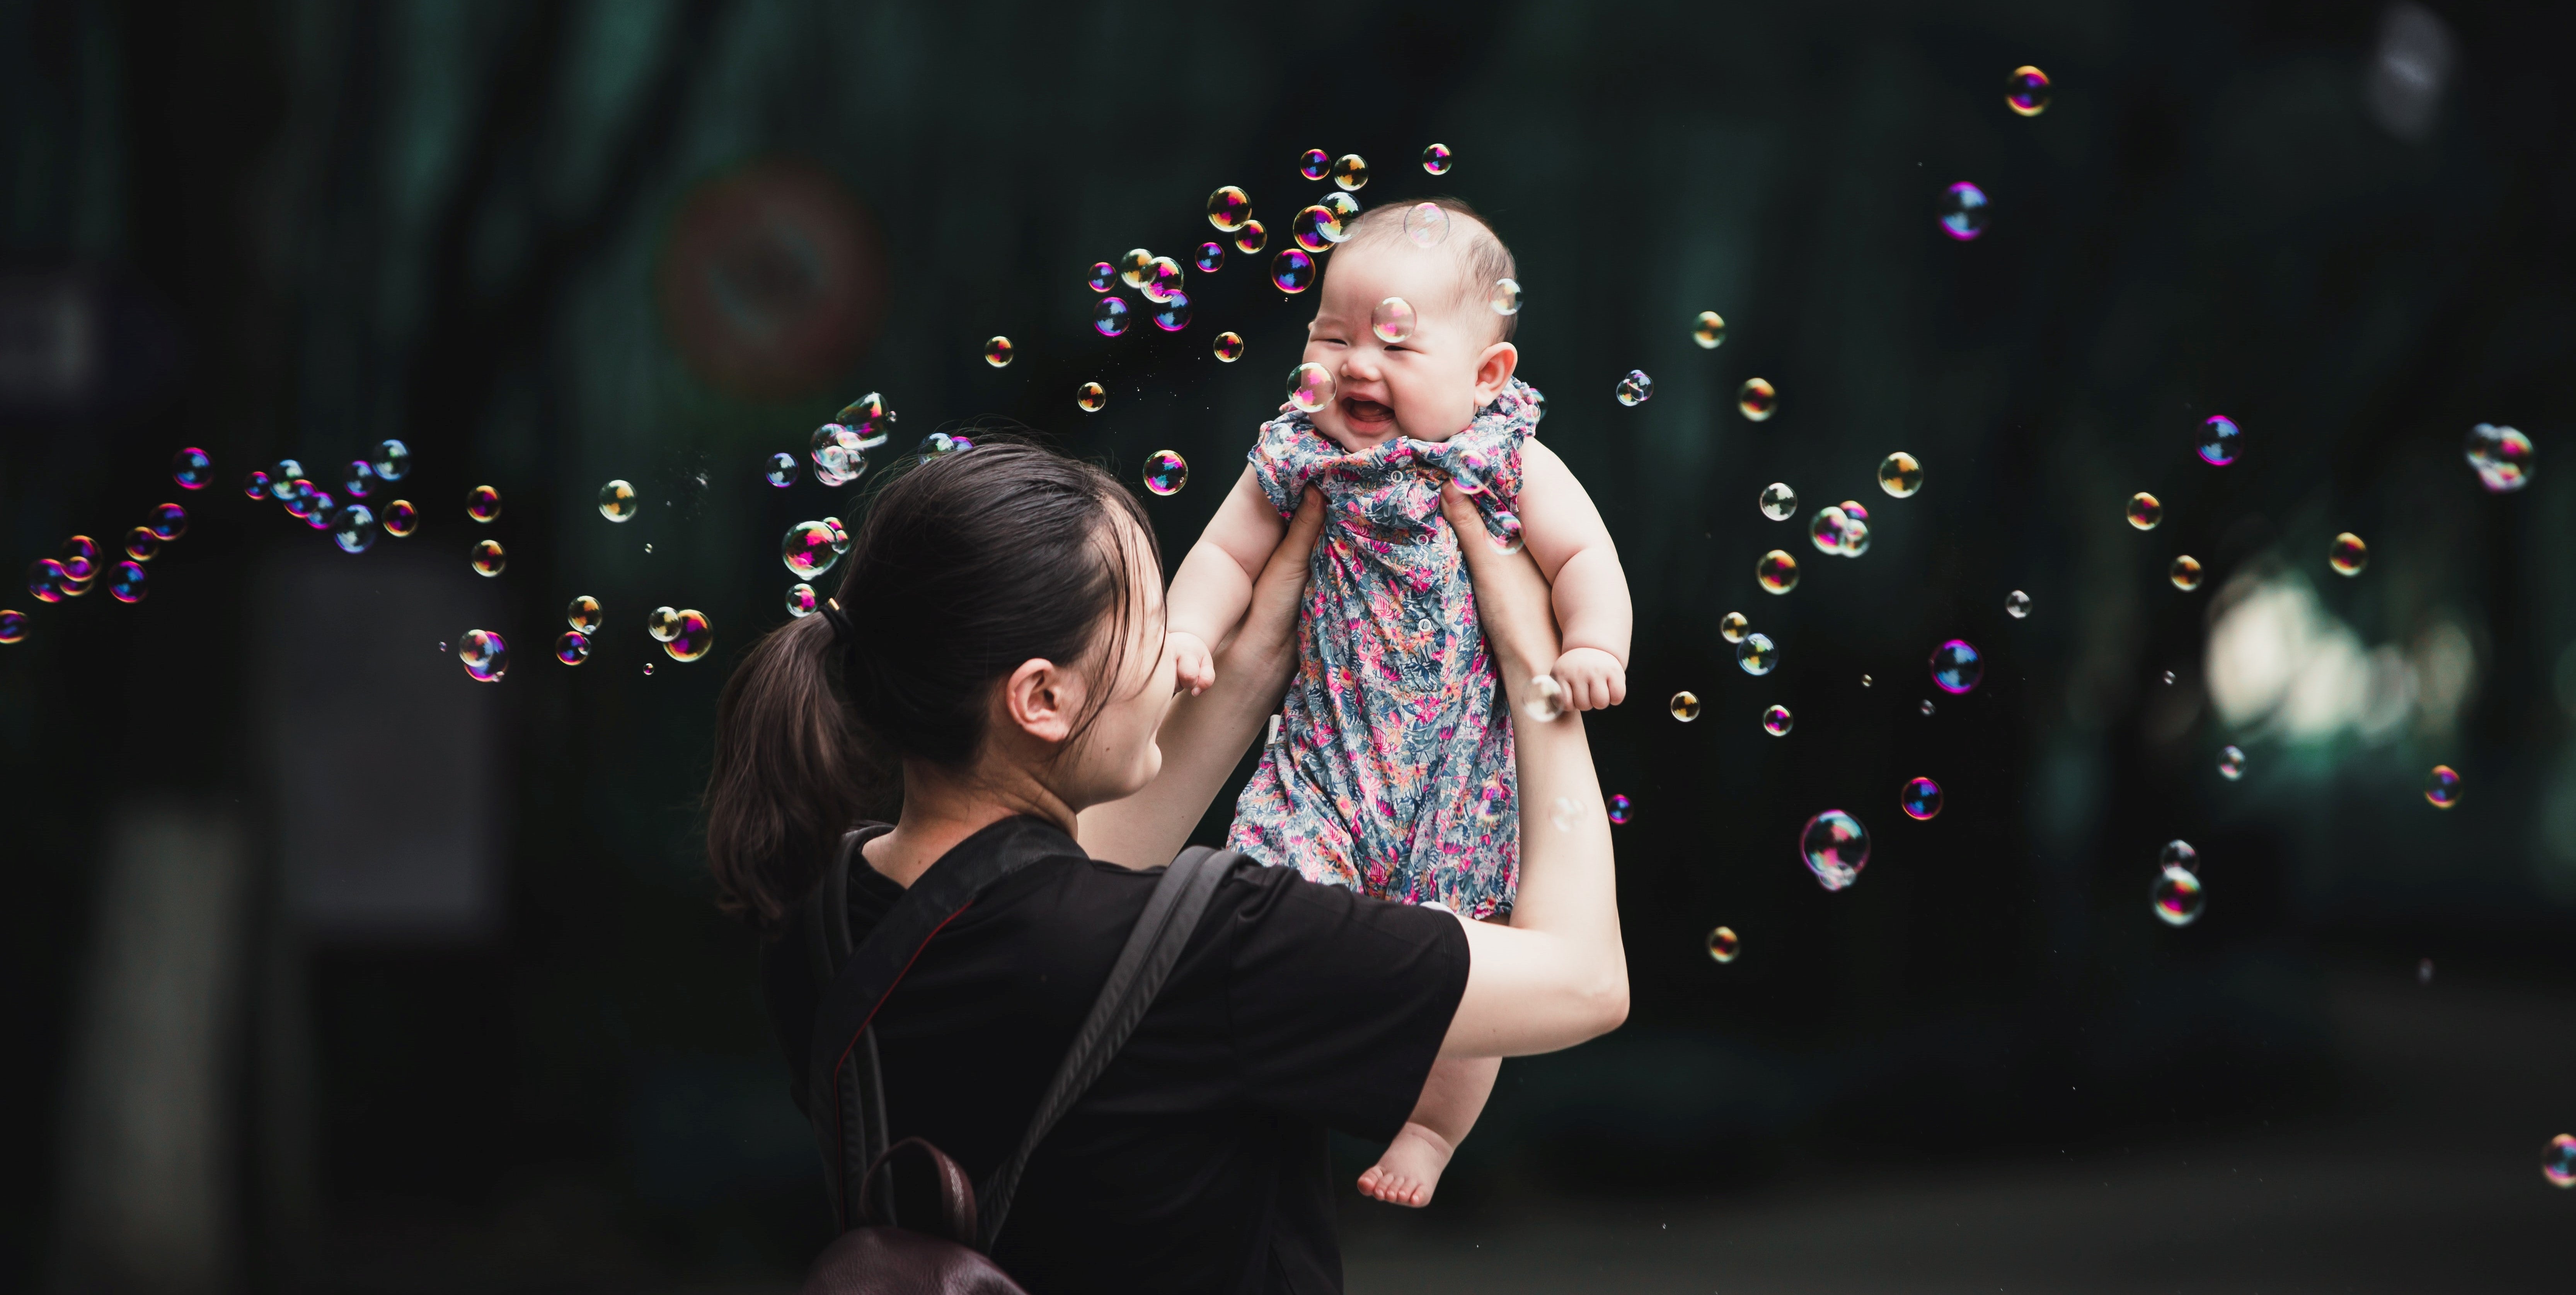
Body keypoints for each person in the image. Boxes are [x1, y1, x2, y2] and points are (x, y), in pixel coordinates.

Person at [705, 440, 1627, 1294]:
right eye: (1152, 623)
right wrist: (1529, 669)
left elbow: (1053, 909)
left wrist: (1266, 645)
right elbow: (1584, 982)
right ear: (1040, 696)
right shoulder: (1224, 950)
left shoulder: (820, 926)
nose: (1178, 660)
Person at [1159, 197, 1634, 1206]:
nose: (1355, 365)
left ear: (1486, 375)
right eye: (1332, 336)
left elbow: (1585, 554)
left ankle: (1432, 1124)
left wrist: (1593, 642)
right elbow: (1224, 555)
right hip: (1324, 770)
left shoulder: (1506, 459)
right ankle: (1269, 1077)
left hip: (1458, 789)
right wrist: (1189, 632)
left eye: (1395, 343)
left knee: (1473, 965)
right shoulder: (1299, 451)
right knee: (1270, 916)